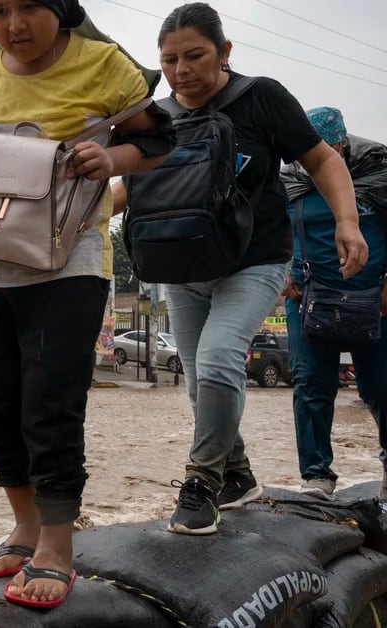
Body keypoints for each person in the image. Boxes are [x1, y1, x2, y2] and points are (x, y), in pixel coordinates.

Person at [0, 0, 175, 608]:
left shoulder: (104, 64)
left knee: (50, 404)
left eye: (31, 6)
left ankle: (57, 546)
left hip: (70, 262)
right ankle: (26, 525)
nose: (14, 25)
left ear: (61, 7)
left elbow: (160, 140)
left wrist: (112, 159)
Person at [113, 2, 369, 535]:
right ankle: (238, 476)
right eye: (169, 60)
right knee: (195, 382)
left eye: (194, 56)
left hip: (255, 259)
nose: (181, 70)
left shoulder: (262, 99)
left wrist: (348, 221)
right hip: (179, 264)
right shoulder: (156, 118)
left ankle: (201, 484)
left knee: (218, 359)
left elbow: (321, 159)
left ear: (225, 51)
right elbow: (124, 188)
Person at [281, 107, 387, 500]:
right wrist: (282, 272)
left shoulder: (378, 177)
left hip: (374, 300)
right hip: (308, 298)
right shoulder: (290, 183)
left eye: (324, 148)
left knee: (380, 387)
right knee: (311, 384)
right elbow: (268, 230)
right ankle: (316, 476)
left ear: (341, 143)